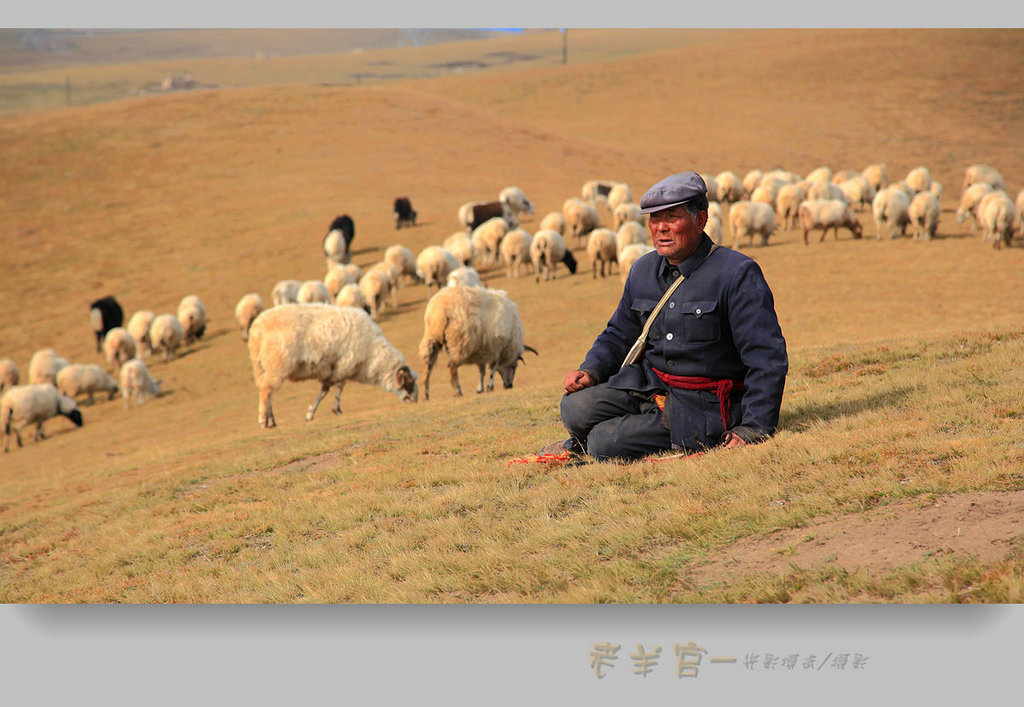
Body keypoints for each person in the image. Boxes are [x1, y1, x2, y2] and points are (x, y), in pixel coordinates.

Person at [542, 170, 788, 462]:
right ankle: (627, 429)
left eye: (672, 217)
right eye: (654, 219)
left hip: (704, 404)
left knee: (603, 442)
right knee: (574, 408)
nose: (660, 228)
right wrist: (591, 370)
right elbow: (619, 333)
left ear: (700, 220)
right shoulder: (642, 270)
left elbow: (766, 357)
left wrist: (754, 427)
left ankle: (601, 442)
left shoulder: (737, 274)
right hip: (649, 387)